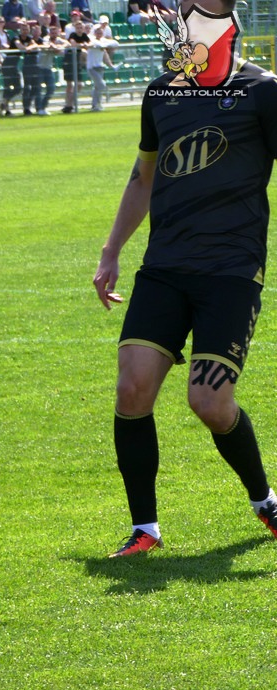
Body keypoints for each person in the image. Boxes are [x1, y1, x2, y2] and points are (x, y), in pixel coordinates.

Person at [93, 0, 277, 557]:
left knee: (210, 403)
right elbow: (142, 179)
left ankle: (266, 501)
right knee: (132, 389)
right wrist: (111, 251)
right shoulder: (161, 94)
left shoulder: (264, 91)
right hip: (166, 267)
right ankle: (144, 529)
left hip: (231, 270)